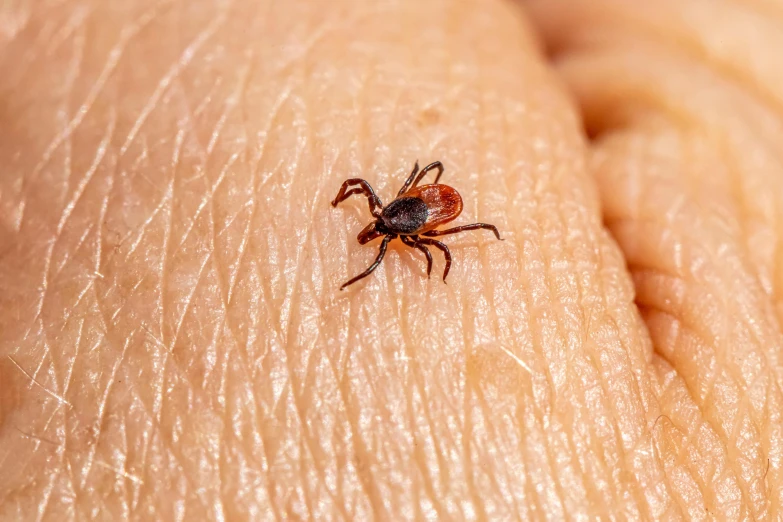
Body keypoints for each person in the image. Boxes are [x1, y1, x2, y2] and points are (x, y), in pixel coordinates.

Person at [1, 0, 780, 518]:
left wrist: (433, 239)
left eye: (383, 225)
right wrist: (371, 217)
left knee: (451, 232)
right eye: (380, 219)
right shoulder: (395, 214)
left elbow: (438, 235)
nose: (380, 224)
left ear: (405, 223)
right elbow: (403, 190)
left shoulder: (417, 233)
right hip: (439, 193)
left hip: (448, 203)